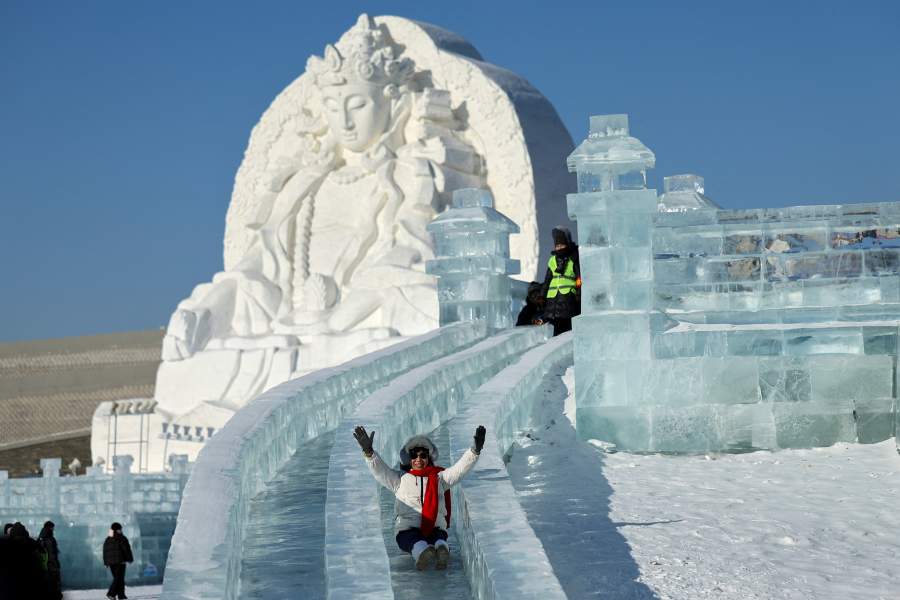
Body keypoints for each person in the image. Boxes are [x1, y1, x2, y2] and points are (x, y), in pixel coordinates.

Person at [353, 425, 486, 570]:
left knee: (438, 537)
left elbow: (459, 470)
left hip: (434, 527)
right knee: (411, 539)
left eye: (423, 455)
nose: (418, 459)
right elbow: (380, 471)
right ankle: (428, 550)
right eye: (414, 455)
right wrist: (369, 452)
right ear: (409, 459)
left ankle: (439, 550)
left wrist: (474, 451)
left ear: (428, 458)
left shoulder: (439, 478)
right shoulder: (400, 479)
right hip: (408, 528)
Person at [540, 226, 581, 336]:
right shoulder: (552, 260)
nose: (559, 247)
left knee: (565, 328)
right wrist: (542, 296)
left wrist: (578, 293)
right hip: (552, 300)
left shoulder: (573, 258)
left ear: (567, 244)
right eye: (557, 245)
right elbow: (547, 280)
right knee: (553, 328)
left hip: (568, 299)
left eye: (561, 245)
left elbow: (578, 279)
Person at [103, 522, 133, 600]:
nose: (121, 530)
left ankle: (121, 595)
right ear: (117, 530)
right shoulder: (121, 538)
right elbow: (126, 549)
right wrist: (129, 558)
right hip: (120, 561)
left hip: (111, 563)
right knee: (119, 578)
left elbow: (105, 551)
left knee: (118, 578)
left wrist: (106, 562)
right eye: (120, 529)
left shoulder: (108, 539)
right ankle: (111, 593)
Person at [38, 521, 62, 600]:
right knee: (54, 584)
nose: (53, 530)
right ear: (50, 528)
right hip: (51, 566)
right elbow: (52, 554)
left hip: (43, 566)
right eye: (52, 528)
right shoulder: (50, 539)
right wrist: (55, 565)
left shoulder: (40, 538)